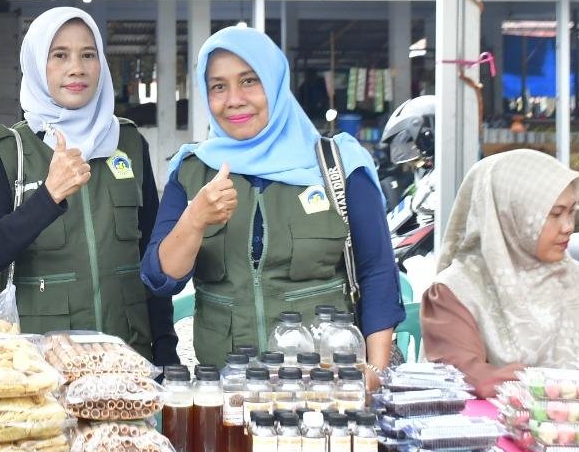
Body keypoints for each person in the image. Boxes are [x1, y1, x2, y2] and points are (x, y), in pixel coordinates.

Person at [142, 27, 403, 373]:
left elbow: (377, 271)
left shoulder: (337, 164)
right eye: (218, 86)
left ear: (275, 82)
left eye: (249, 81)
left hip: (325, 384)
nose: (234, 99)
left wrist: (375, 372)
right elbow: (161, 278)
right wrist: (195, 219)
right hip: (229, 385)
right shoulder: (192, 170)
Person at [0, 7, 179, 365]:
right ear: (37, 65)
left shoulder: (128, 143)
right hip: (41, 366)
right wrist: (47, 198)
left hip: (127, 361)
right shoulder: (8, 150)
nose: (76, 68)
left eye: (88, 55)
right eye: (60, 55)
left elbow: (152, 261)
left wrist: (166, 349)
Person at [421, 150, 579, 398]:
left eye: (571, 211)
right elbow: (461, 380)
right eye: (555, 214)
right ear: (510, 214)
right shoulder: (458, 290)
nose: (568, 227)